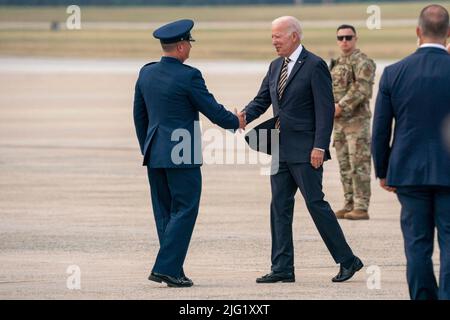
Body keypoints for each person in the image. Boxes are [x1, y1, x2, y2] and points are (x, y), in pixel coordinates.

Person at [242, 16, 362, 284]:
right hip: (279, 149)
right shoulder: (275, 67)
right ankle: (282, 267)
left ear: (294, 36)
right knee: (279, 208)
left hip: (307, 151)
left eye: (278, 36)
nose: (274, 41)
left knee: (315, 204)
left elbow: (325, 109)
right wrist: (242, 116)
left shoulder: (315, 65)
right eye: (272, 36)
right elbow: (262, 100)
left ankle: (348, 260)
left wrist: (320, 145)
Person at [133, 19, 246, 288]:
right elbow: (211, 109)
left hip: (155, 152)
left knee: (165, 212)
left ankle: (173, 270)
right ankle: (165, 268)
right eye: (189, 44)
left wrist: (148, 146)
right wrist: (235, 121)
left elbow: (139, 116)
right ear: (182, 47)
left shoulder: (146, 73)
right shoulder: (189, 75)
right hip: (181, 153)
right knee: (185, 209)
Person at [372, 5, 450, 299]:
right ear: (449, 33)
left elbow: (380, 129)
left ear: (418, 32)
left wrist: (382, 170)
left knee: (417, 244)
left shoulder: (394, 72)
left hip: (408, 171)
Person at [330, 24, 376, 220]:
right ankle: (349, 203)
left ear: (355, 39)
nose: (344, 41)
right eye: (340, 38)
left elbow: (362, 89)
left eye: (348, 37)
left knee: (359, 164)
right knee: (344, 164)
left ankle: (361, 206)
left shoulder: (363, 62)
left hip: (356, 122)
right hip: (339, 123)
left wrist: (340, 106)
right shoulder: (336, 63)